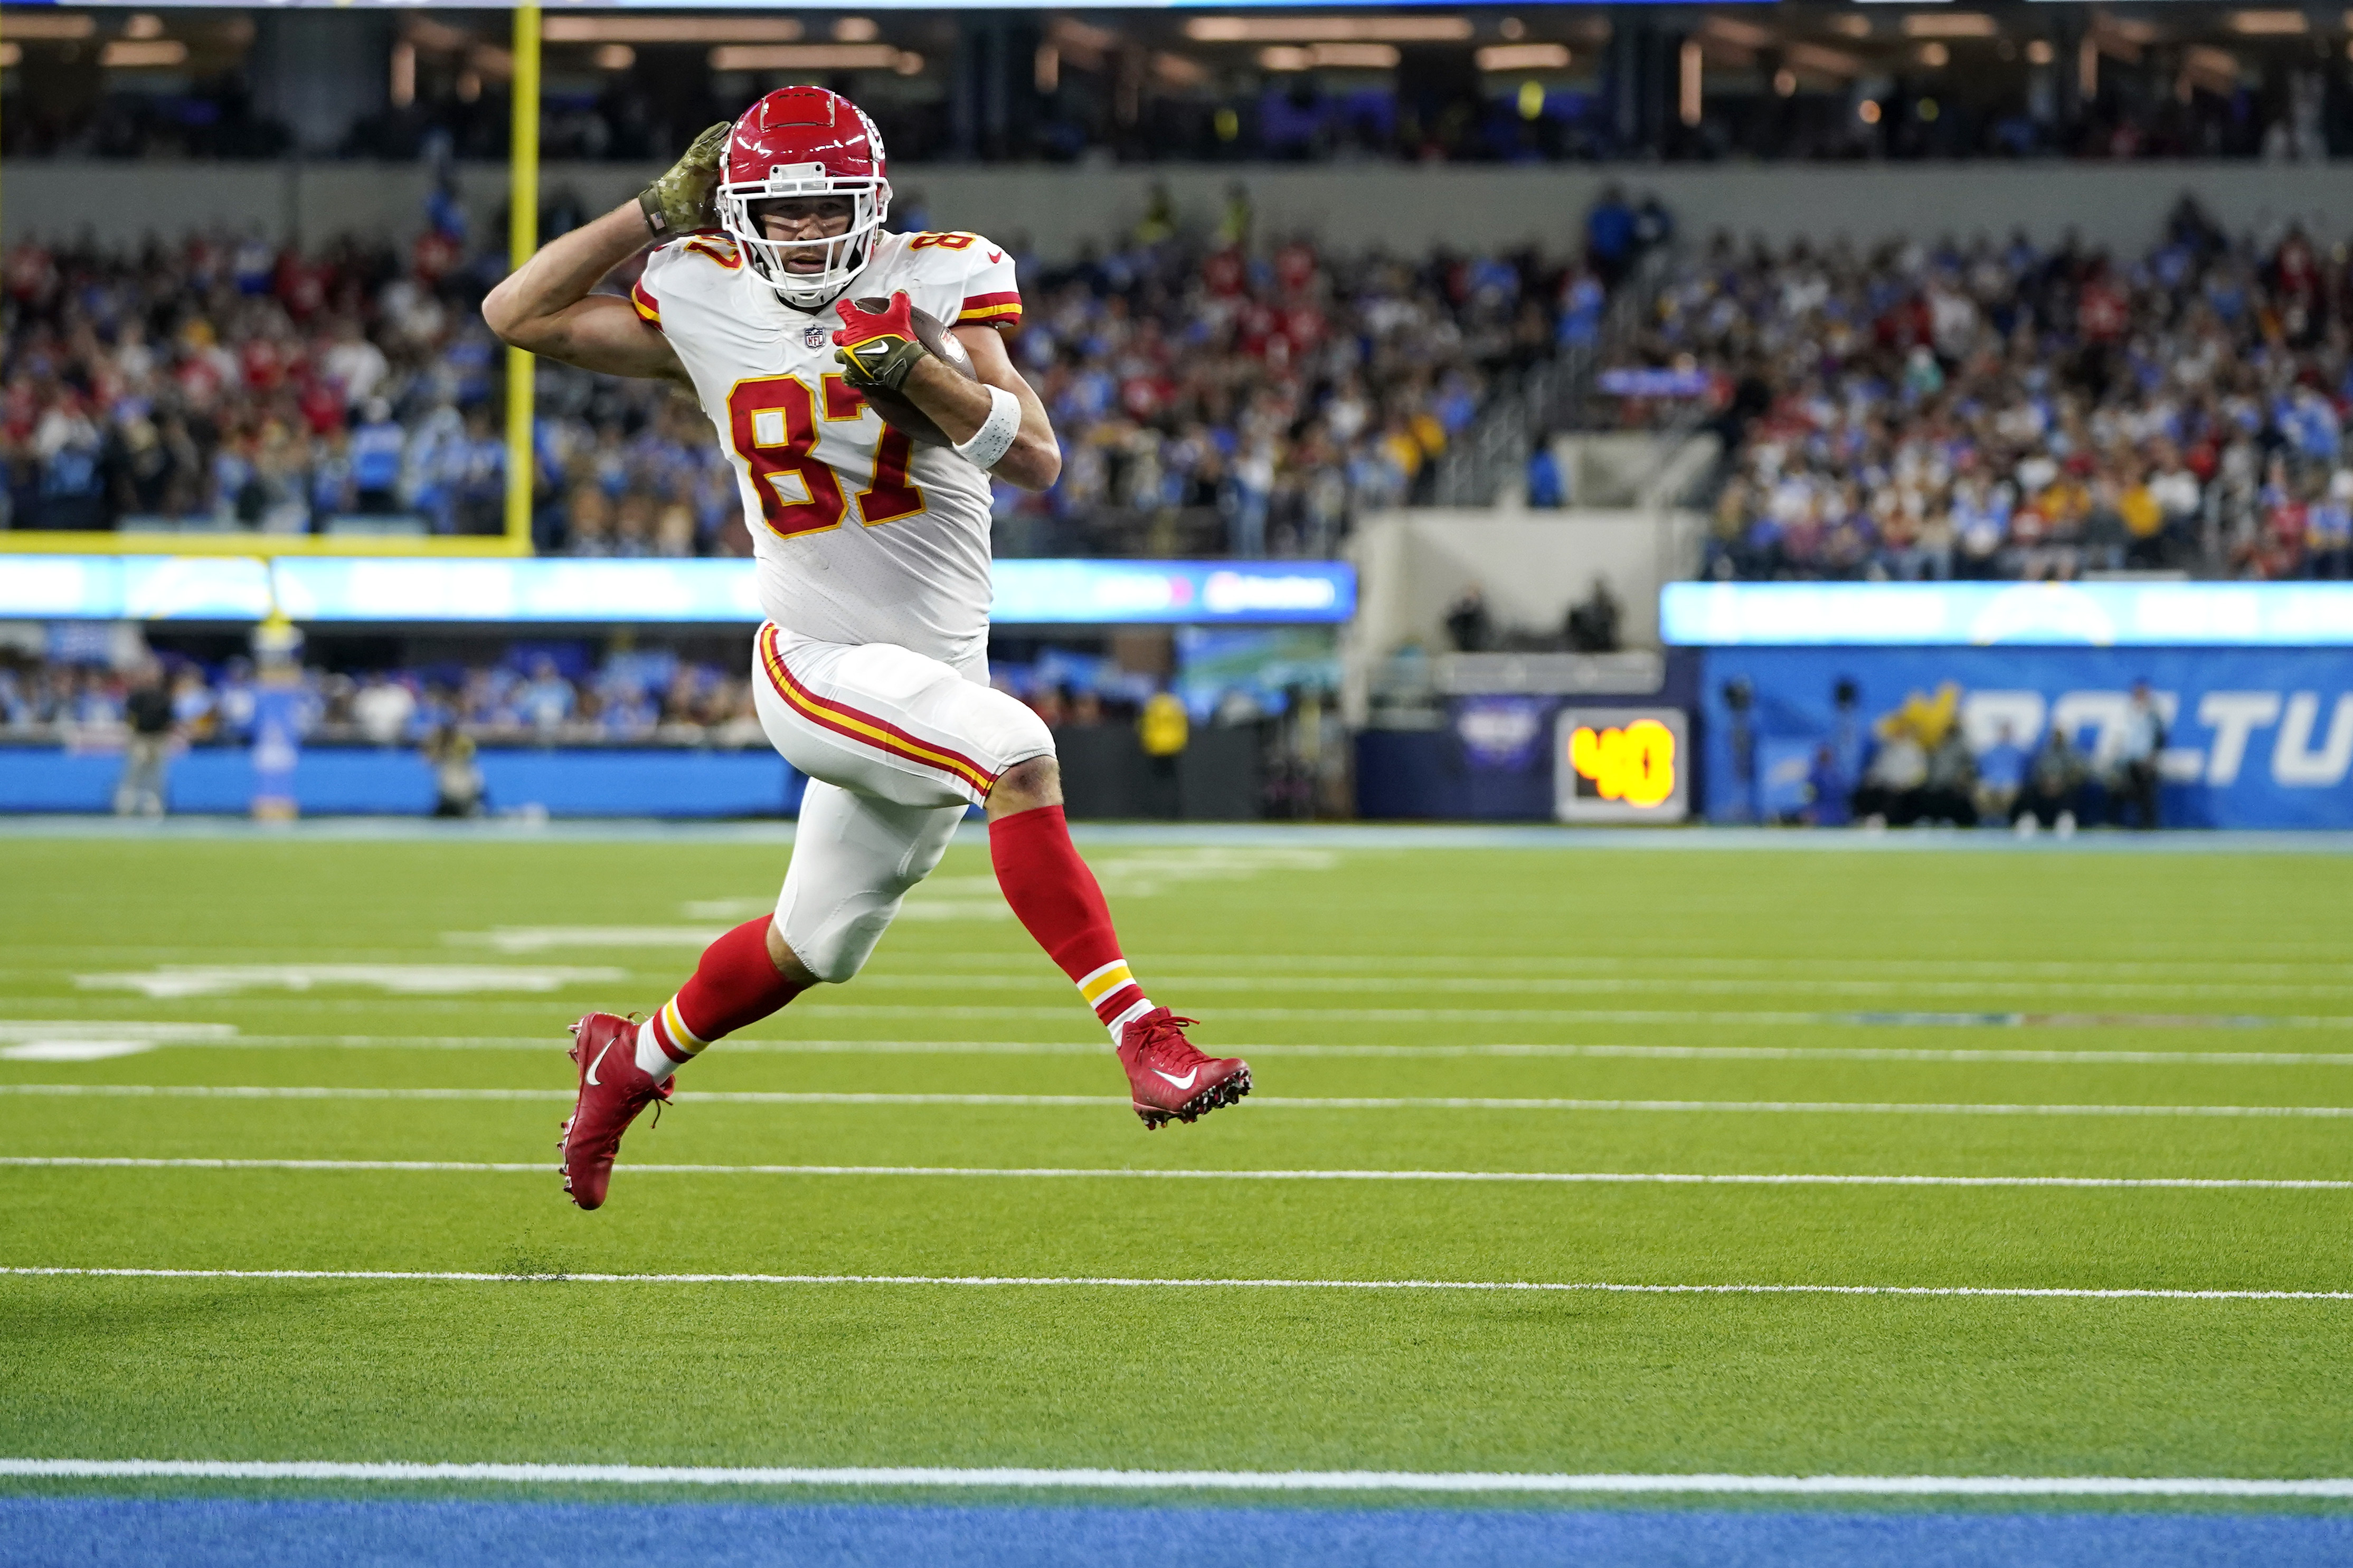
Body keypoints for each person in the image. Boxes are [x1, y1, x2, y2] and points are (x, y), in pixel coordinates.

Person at [484, 88, 1249, 1211]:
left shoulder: (936, 279)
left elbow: (1034, 457)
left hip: (929, 675)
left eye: (824, 209)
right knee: (1019, 752)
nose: (802, 235)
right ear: (732, 211)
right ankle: (1142, 1040)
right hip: (816, 657)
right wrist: (647, 215)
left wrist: (919, 373)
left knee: (813, 944)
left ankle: (627, 1059)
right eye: (776, 213)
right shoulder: (698, 290)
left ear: (872, 200)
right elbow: (515, 313)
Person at [113, 664, 176, 817]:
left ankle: (154, 808)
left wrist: (165, 737)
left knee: (157, 776)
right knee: (133, 773)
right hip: (140, 738)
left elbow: (169, 720)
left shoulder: (164, 697)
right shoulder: (138, 695)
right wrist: (132, 736)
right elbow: (130, 717)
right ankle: (125, 807)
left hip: (158, 738)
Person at [2113, 681, 2165, 830]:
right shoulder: (2128, 714)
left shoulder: (2153, 716)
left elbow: (2159, 739)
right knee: (2121, 791)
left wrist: (2151, 759)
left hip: (2146, 762)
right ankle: (2118, 823)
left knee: (2146, 795)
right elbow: (2122, 739)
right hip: (2128, 762)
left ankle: (2149, 825)